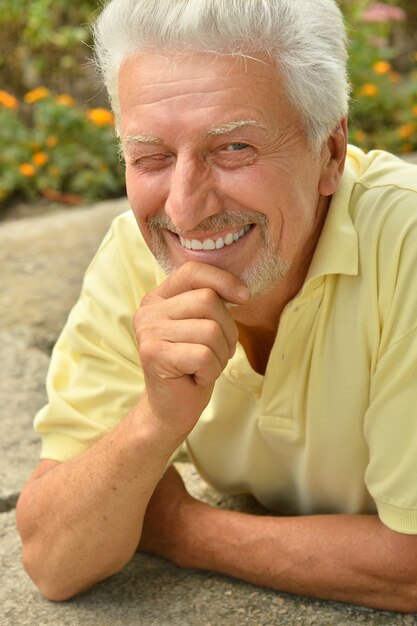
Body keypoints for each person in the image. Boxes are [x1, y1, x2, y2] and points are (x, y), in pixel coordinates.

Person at [16, 0, 417, 612]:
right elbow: (52, 558)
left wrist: (181, 528)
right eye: (150, 158)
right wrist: (154, 422)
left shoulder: (406, 246)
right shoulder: (134, 252)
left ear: (330, 154)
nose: (184, 209)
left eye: (233, 149)